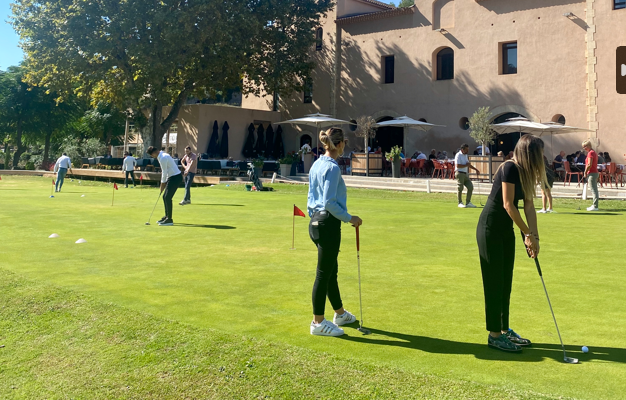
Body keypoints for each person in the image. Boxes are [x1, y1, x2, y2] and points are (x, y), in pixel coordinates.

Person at [476, 134, 547, 353]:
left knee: (506, 280)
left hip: (506, 230)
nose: (542, 158)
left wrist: (534, 236)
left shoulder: (525, 173)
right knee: (494, 281)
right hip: (490, 228)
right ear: (531, 153)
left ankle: (504, 329)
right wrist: (526, 234)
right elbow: (508, 205)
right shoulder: (509, 168)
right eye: (540, 154)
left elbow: (528, 206)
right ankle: (494, 335)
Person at [307, 127, 362, 337]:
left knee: (330, 272)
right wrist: (350, 218)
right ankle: (318, 322)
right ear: (340, 144)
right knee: (323, 274)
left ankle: (339, 313)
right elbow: (329, 202)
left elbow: (313, 198)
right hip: (328, 224)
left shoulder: (316, 164)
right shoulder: (332, 168)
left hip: (315, 222)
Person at [147, 146, 183, 226]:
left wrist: (162, 184)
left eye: (152, 155)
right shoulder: (162, 155)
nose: (153, 157)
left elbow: (164, 172)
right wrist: (164, 183)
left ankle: (169, 219)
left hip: (175, 177)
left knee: (167, 197)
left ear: (153, 153)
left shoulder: (163, 157)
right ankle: (167, 216)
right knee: (165, 197)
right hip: (172, 177)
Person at [455, 144, 479, 208]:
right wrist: (466, 165)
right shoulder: (458, 155)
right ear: (462, 150)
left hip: (465, 174)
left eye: (468, 149)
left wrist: (476, 169)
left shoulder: (465, 155)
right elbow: (458, 165)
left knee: (470, 187)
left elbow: (468, 164)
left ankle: (468, 202)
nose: (468, 151)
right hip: (459, 173)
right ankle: (460, 202)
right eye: (466, 149)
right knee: (460, 188)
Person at [583, 140, 599, 212]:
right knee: (594, 189)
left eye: (585, 146)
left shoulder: (591, 153)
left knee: (593, 190)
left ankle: (595, 206)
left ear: (589, 146)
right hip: (594, 172)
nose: (584, 148)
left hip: (592, 173)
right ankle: (594, 205)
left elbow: (589, 164)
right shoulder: (593, 152)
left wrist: (585, 172)